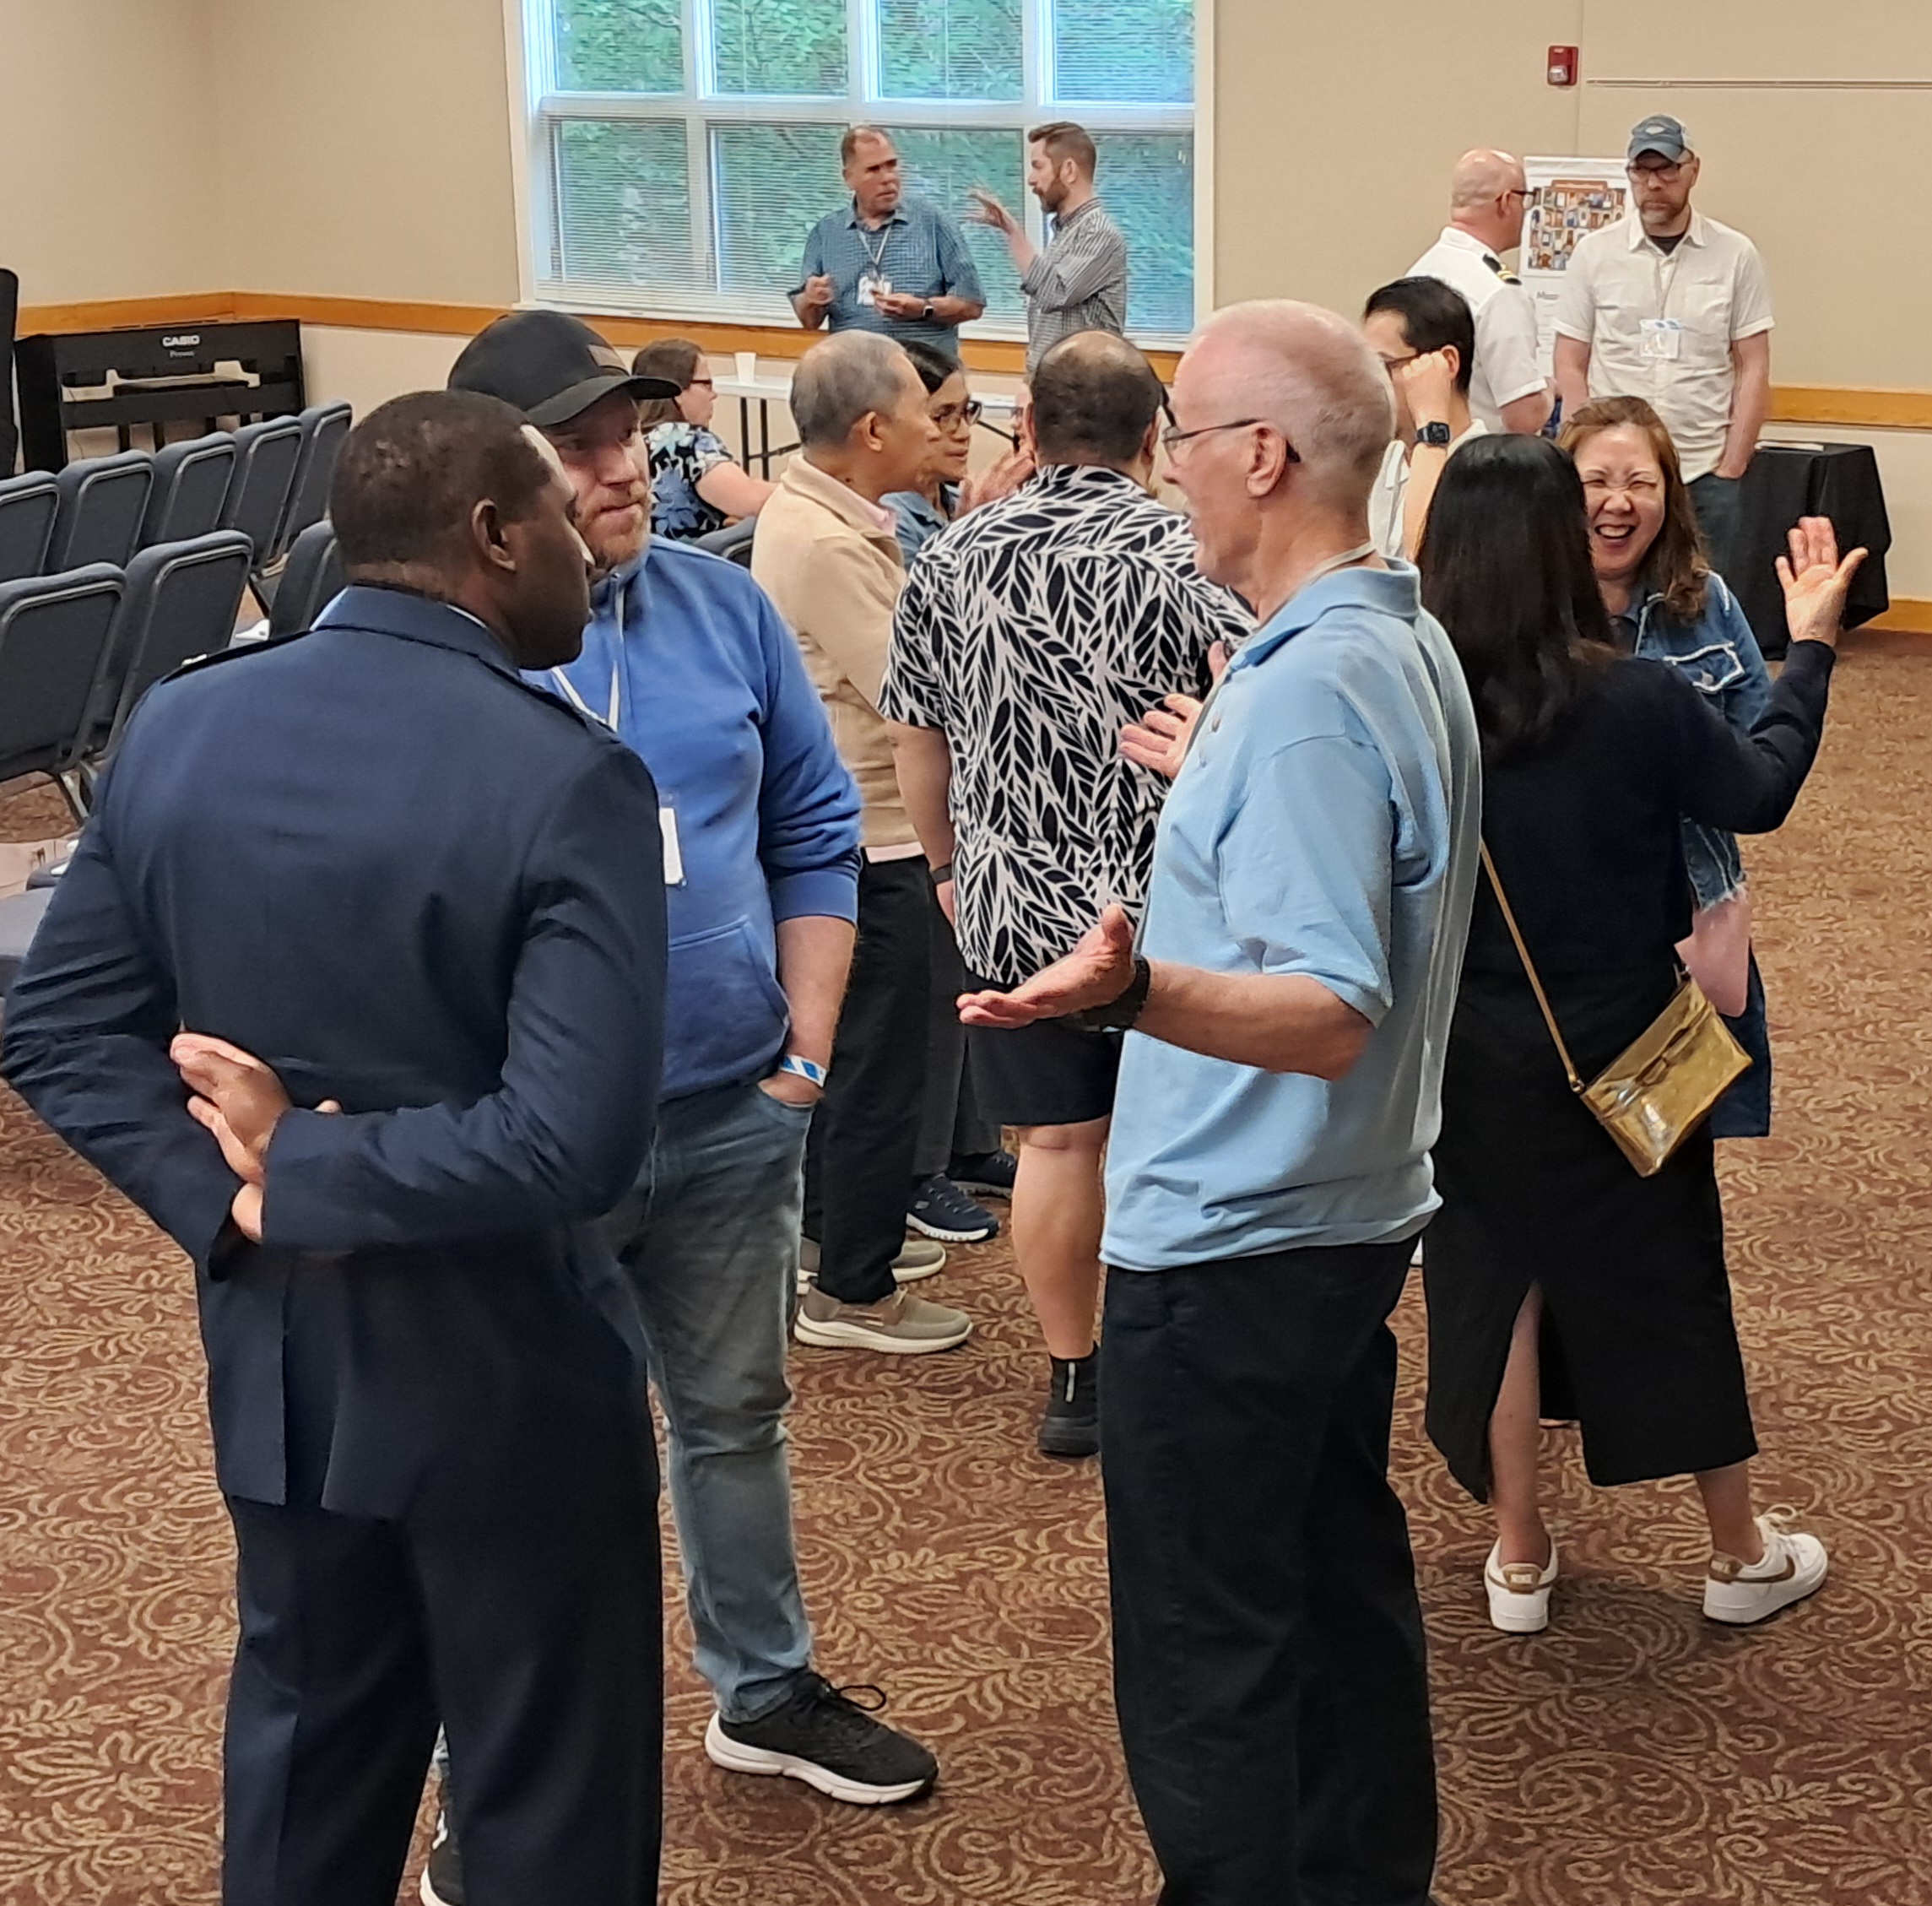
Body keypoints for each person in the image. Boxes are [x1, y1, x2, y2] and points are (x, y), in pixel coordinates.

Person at [2, 390, 669, 1906]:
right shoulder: (567, 775)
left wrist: (229, 1204)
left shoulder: (184, 720)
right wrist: (294, 1177)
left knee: (306, 1784)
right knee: (549, 1811)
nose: (586, 546)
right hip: (509, 1382)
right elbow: (575, 1142)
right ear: (493, 536)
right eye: (557, 514)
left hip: (281, 1373)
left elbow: (57, 1030)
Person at [962, 301, 1479, 1905]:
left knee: (1209, 1656)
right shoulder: (1383, 639)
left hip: (1234, 1242)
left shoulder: (1312, 692)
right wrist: (1221, 777)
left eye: (1183, 439)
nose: (1166, 470)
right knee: (1330, 1596)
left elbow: (1327, 1009)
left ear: (1261, 456)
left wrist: (1126, 993)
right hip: (1330, 1216)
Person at [445, 312, 938, 1862]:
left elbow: (812, 827)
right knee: (516, 1450)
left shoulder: (720, 611)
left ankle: (762, 1686)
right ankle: (496, 1761)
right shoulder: (434, 650)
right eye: (579, 448)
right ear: (487, 489)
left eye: (631, 436)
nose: (623, 470)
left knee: (734, 1416)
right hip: (527, 1144)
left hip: (729, 1109)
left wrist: (804, 1044)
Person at [1417, 434, 1859, 1637]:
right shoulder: (1632, 694)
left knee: (1490, 1290)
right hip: (1623, 1036)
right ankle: (1737, 1551)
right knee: (1670, 1284)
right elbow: (1760, 789)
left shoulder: (1411, 704)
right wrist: (1811, 647)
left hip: (1464, 1040)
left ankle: (1518, 1555)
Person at [885, 325, 1252, 1460]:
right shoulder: (1192, 550)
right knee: (1186, 1141)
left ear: (1032, 431)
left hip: (1011, 898)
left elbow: (916, 735)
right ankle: (1178, 1355)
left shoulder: (951, 556)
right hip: (1168, 904)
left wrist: (946, 865)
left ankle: (1074, 1376)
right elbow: (1258, 708)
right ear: (1153, 438)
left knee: (1054, 1143)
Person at [749, 332, 973, 1353]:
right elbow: (914, 693)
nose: (941, 429)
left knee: (856, 1061)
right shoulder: (831, 545)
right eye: (928, 411)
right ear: (874, 428)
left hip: (851, 827)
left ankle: (834, 1233)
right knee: (881, 1072)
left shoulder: (821, 509)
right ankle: (854, 1287)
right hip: (874, 834)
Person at [1561, 394, 1777, 1135]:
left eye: (1640, 484)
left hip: (1691, 910)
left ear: (1668, 498)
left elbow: (1757, 755)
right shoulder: (1527, 614)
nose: (1617, 503)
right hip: (1567, 922)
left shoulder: (1708, 603)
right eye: (1595, 482)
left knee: (1681, 1123)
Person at [880, 338, 1018, 1246]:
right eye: (942, 415)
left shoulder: (938, 506)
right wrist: (977, 531)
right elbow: (923, 668)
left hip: (962, 780)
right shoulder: (897, 521)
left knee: (967, 981)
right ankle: (919, 1169)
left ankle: (971, 1140)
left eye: (969, 412)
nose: (962, 432)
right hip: (897, 790)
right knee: (930, 992)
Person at [1552, 116, 1773, 573]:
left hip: (1703, 470)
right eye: (1642, 171)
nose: (1654, 184)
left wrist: (1733, 463)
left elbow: (1753, 363)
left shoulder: (1735, 255)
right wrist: (1581, 449)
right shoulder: (1595, 253)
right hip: (1616, 476)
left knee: (1701, 594)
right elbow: (1570, 360)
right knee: (1606, 588)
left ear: (1693, 170)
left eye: (1667, 169)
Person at [793, 127, 986, 360]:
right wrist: (811, 300)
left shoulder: (933, 222)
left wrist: (923, 308)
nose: (888, 178)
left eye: (892, 165)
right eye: (873, 169)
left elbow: (972, 305)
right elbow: (809, 321)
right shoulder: (826, 233)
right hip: (854, 370)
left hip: (923, 369)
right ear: (848, 178)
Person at [966, 120, 1129, 375]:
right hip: (1051, 380)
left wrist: (1014, 232)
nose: (1031, 180)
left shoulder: (1098, 234)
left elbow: (1055, 293)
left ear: (1069, 171)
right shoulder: (1066, 232)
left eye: (1038, 166)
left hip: (1083, 386)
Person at [1408, 148, 1551, 435]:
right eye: (1526, 198)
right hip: (1481, 455)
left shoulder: (1419, 273)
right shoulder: (1498, 292)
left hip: (1423, 447)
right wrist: (1548, 390)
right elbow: (1524, 417)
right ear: (1506, 202)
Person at [1362, 275, 1488, 559]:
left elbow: (1425, 559)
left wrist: (1431, 423)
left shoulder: (1490, 473)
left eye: (1385, 365)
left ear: (1446, 363)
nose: (1373, 384)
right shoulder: (1374, 463)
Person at [631, 338, 773, 541]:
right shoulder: (688, 442)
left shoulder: (630, 441)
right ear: (677, 391)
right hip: (694, 559)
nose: (714, 395)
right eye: (707, 385)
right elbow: (754, 501)